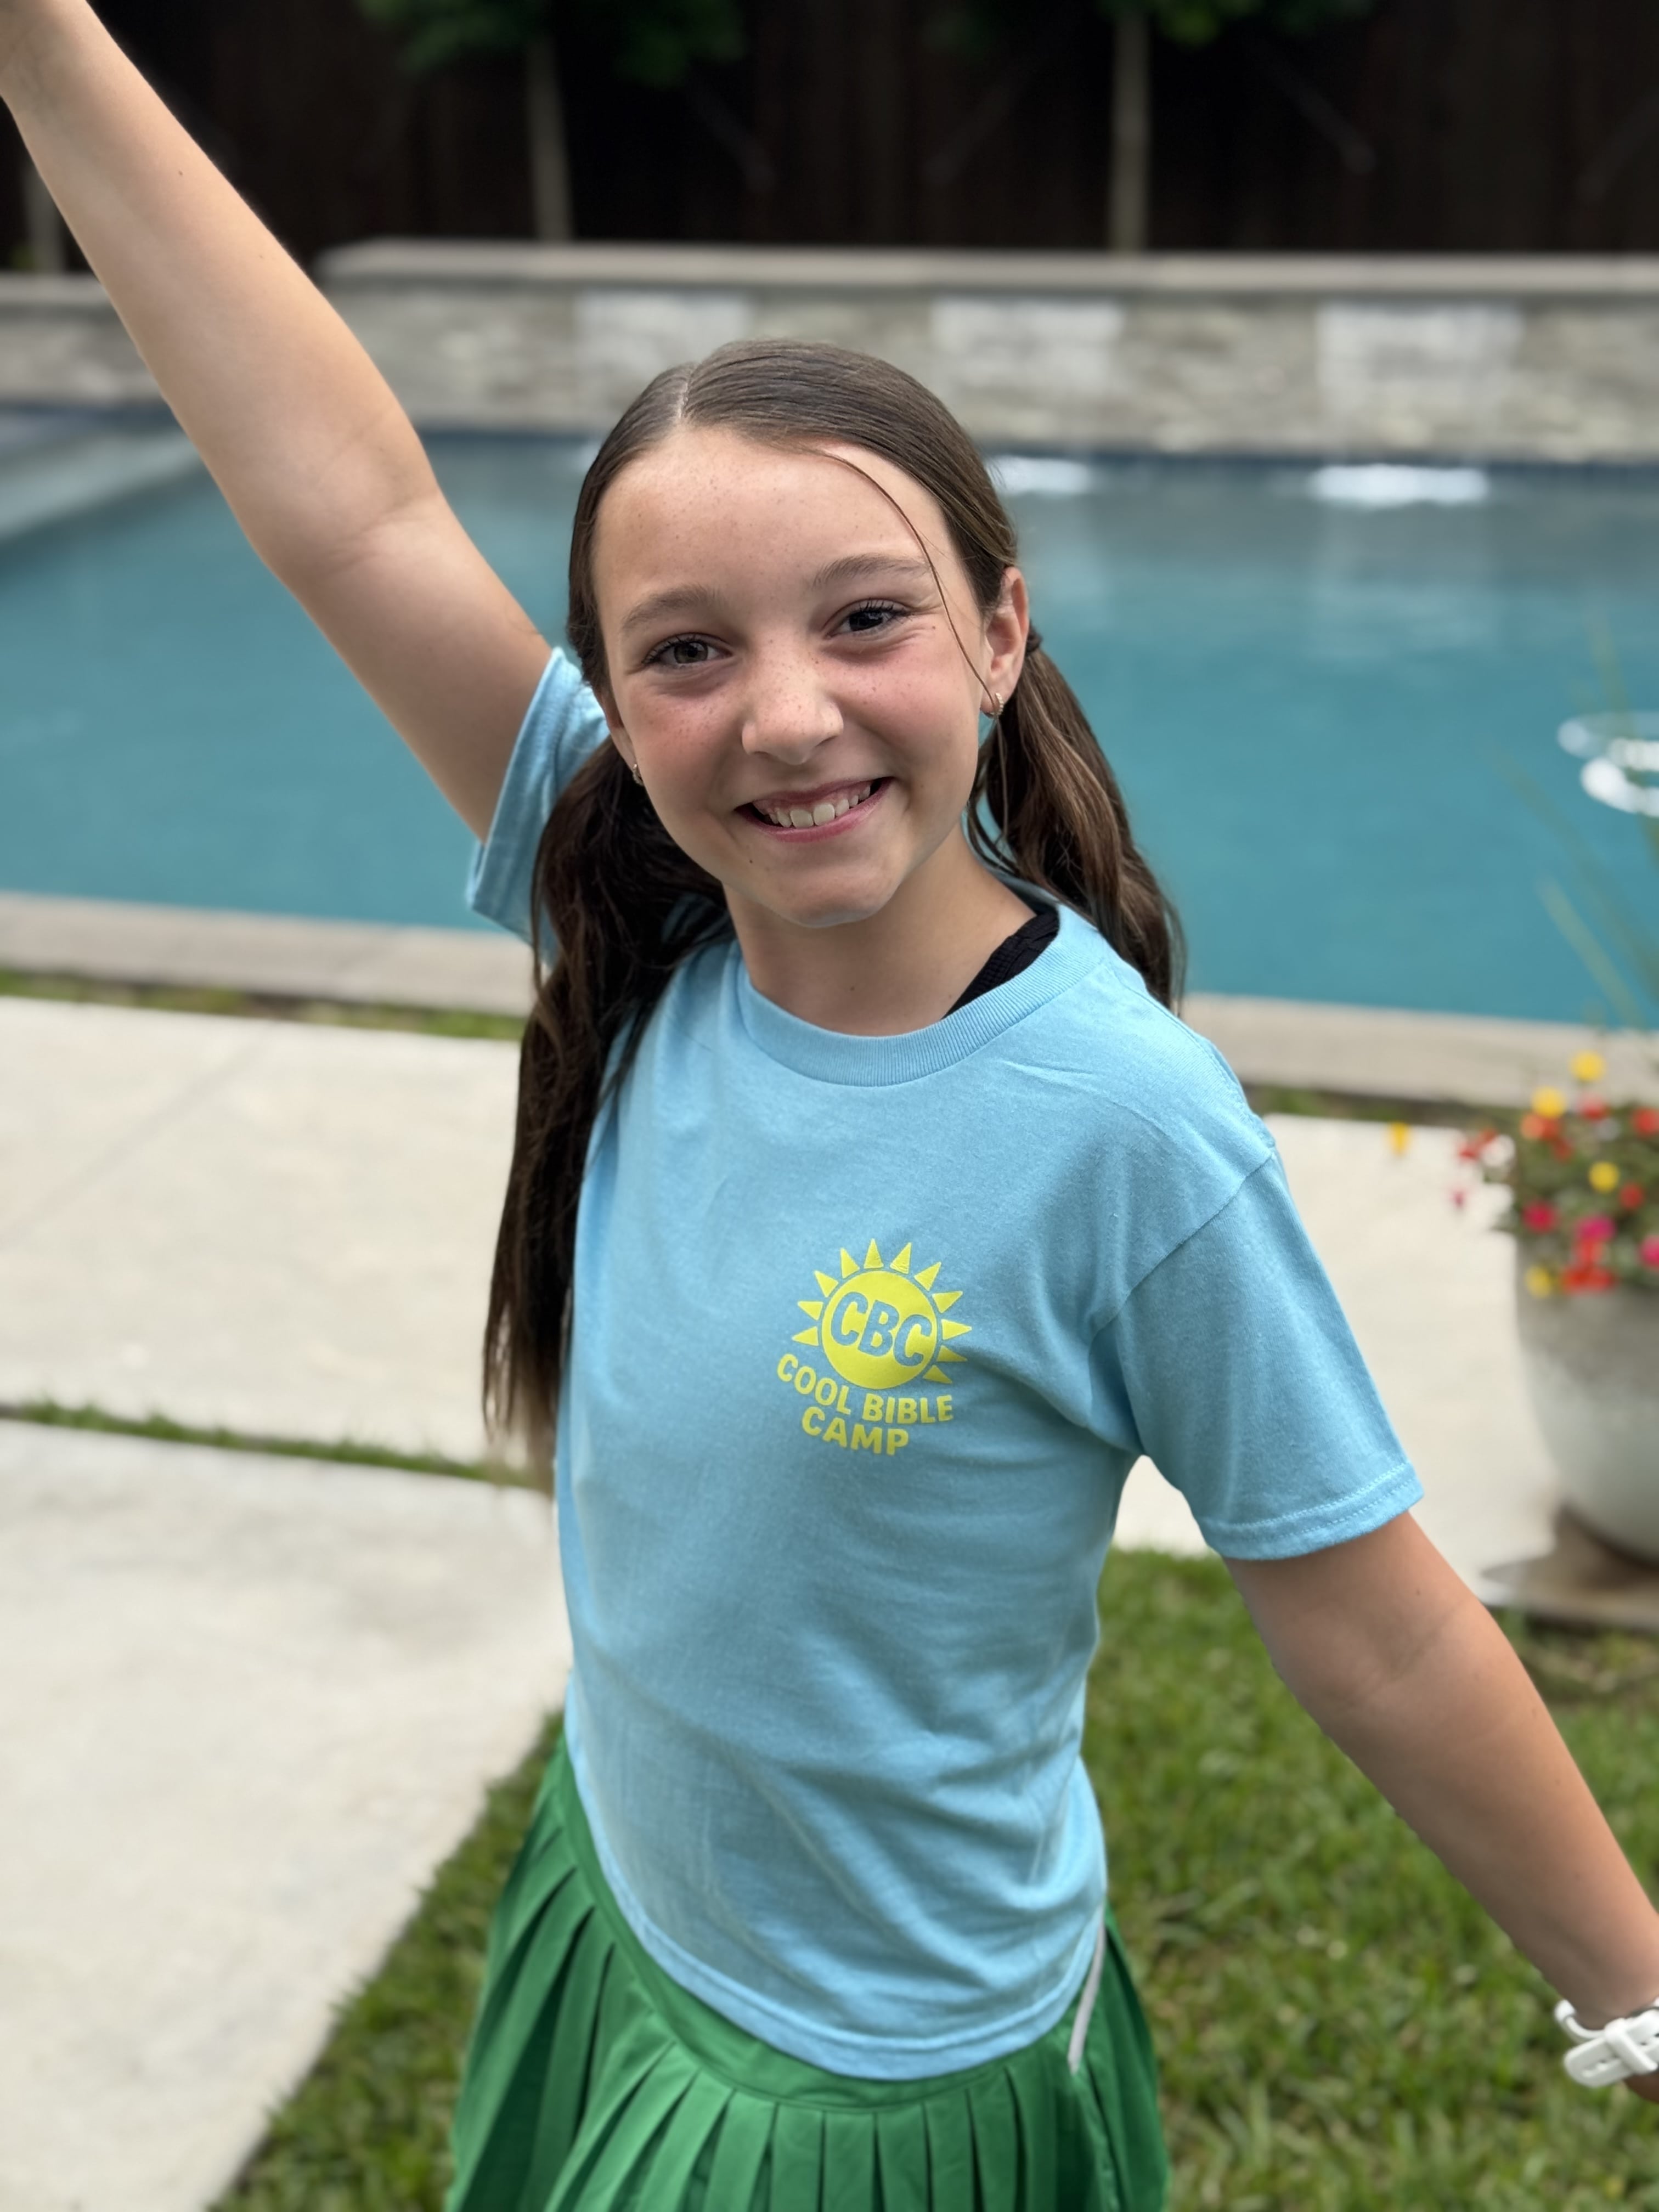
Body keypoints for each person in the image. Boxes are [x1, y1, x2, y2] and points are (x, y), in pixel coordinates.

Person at [6, 4, 1658, 2204]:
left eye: (865, 618)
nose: (783, 717)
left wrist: (1640, 1995)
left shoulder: (1121, 1128)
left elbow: (1379, 1622)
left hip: (865, 2091)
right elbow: (349, 510)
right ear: (617, 704)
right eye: (685, 650)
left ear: (1000, 631)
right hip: (632, 1903)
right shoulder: (632, 893)